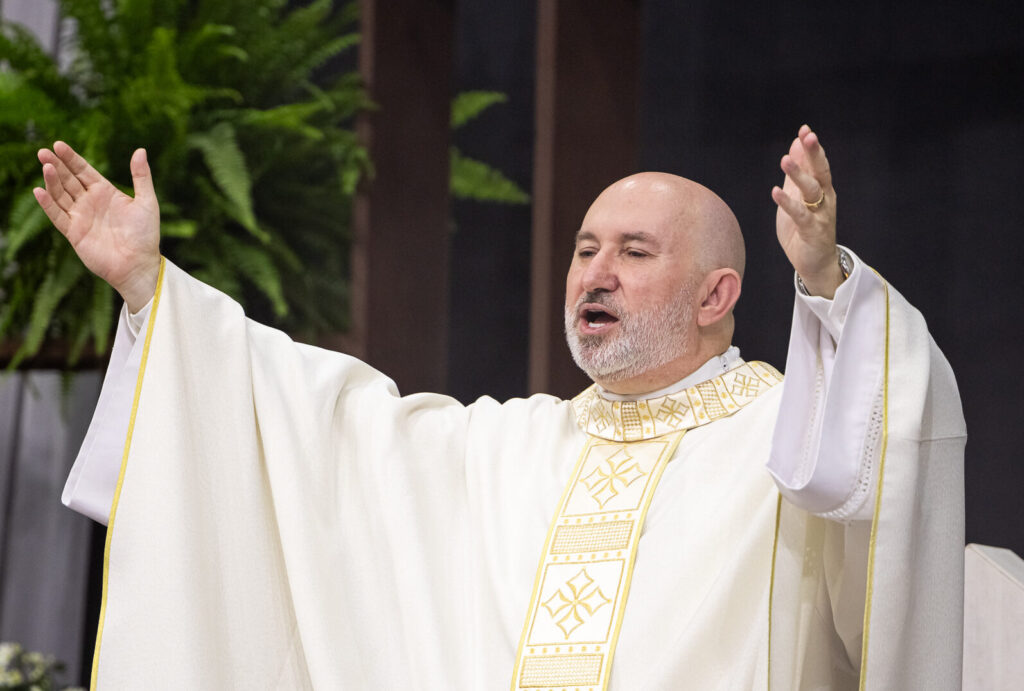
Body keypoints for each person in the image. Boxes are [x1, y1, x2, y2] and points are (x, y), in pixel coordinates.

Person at [35, 126, 965, 689]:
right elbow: (320, 431)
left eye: (634, 253)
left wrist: (828, 282)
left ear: (718, 294)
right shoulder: (509, 446)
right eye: (584, 248)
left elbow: (880, 447)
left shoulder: (784, 432)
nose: (595, 275)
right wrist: (155, 290)